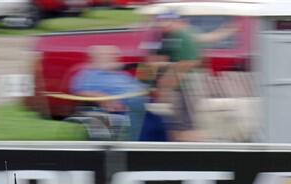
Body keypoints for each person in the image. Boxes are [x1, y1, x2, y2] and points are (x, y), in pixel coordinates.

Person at [69, 45, 148, 140]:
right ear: (96, 57)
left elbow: (143, 87)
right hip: (119, 110)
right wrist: (103, 97)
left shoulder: (122, 74)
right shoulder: (89, 74)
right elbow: (79, 90)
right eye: (110, 54)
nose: (115, 57)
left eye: (115, 54)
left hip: (139, 106)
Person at [152, 11, 202, 142]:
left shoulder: (182, 36)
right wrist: (148, 82)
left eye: (164, 20)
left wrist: (164, 87)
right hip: (175, 87)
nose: (160, 23)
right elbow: (157, 59)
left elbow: (185, 64)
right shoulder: (166, 36)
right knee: (173, 126)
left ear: (174, 21)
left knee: (185, 128)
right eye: (159, 20)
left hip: (185, 87)